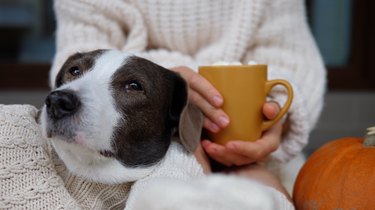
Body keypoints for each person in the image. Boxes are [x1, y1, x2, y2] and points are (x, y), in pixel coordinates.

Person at [50, 0, 325, 208]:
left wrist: (276, 113)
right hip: (142, 139)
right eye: (73, 74)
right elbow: (87, 49)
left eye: (132, 87)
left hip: (251, 148)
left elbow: (292, 63)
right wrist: (170, 88)